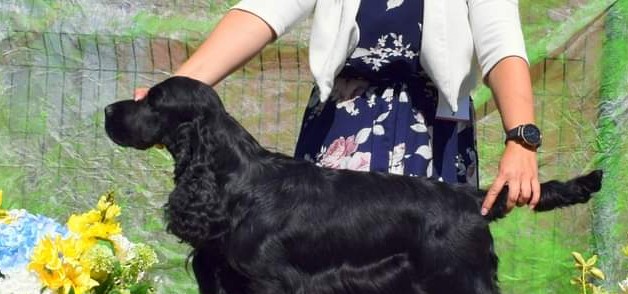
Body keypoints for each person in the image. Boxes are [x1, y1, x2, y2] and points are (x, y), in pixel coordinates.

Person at [135, 0, 540, 216]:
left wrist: (521, 138)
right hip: (342, 133)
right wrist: (172, 93)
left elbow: (501, 42)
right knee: (324, 282)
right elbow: (263, 11)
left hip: (434, 139)